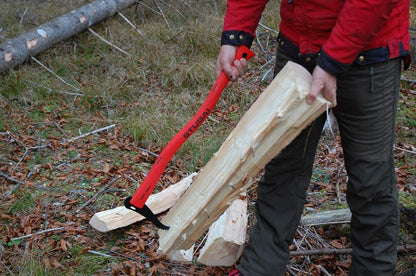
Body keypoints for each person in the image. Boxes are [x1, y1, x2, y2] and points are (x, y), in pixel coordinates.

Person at [215, 0, 410, 275]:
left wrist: (331, 62)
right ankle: (259, 269)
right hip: (298, 50)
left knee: (371, 182)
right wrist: (236, 34)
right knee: (282, 170)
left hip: (370, 54)